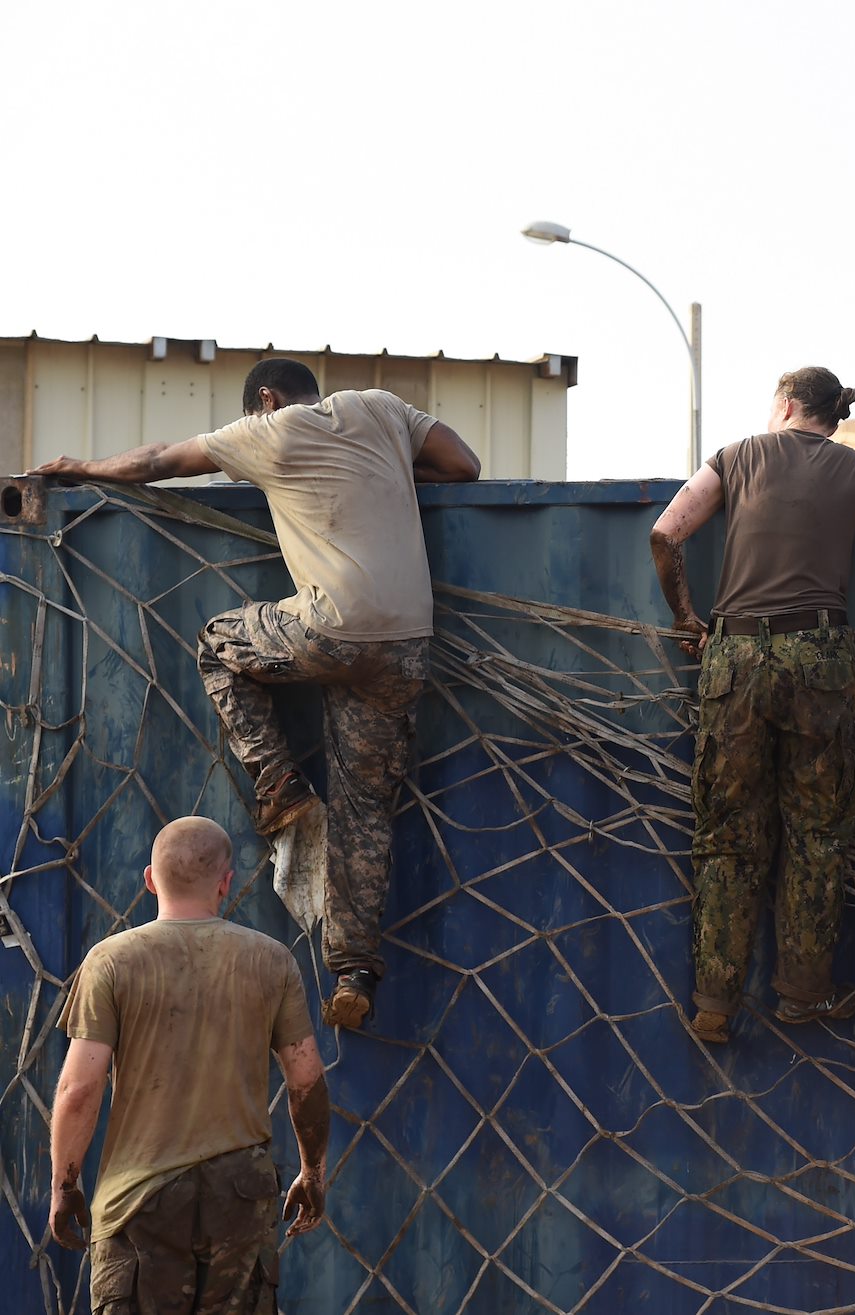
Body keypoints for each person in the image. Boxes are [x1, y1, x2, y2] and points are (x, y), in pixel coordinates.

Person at [30, 358, 482, 1028]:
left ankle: (279, 782)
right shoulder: (383, 410)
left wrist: (81, 466)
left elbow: (158, 459)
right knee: (364, 812)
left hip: (328, 629)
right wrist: (384, 472)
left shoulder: (270, 432)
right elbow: (464, 465)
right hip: (407, 644)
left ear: (264, 400)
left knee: (218, 642)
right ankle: (353, 971)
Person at [650, 366, 855, 1044]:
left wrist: (689, 618)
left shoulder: (737, 455)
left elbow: (665, 534)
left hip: (735, 659)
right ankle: (804, 994)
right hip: (821, 661)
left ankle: (715, 1002)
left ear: (784, 404)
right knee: (817, 836)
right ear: (834, 416)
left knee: (726, 835)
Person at [47, 816, 329, 1312]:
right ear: (226, 883)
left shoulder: (111, 961)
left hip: (139, 1201)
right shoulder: (272, 960)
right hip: (240, 1199)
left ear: (150, 880)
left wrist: (64, 1185)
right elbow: (306, 1081)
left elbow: (78, 1090)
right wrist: (312, 1173)